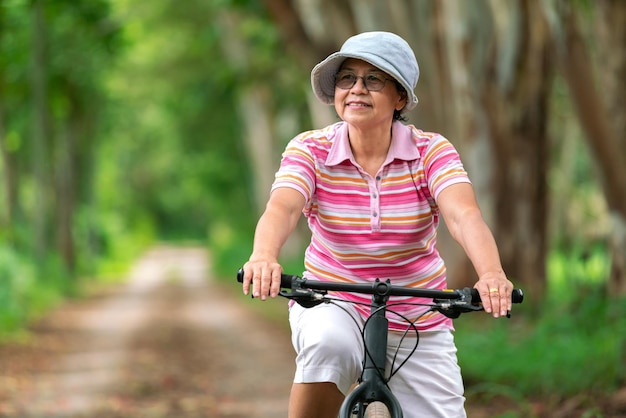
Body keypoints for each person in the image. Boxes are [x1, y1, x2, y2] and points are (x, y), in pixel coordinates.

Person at [241, 31, 514, 418]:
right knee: (327, 346)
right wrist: (264, 256)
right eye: (347, 78)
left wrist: (491, 274)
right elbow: (282, 208)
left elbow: (462, 214)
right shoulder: (310, 149)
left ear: (400, 97)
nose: (356, 90)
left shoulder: (430, 151)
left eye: (373, 80)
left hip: (417, 311)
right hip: (332, 299)